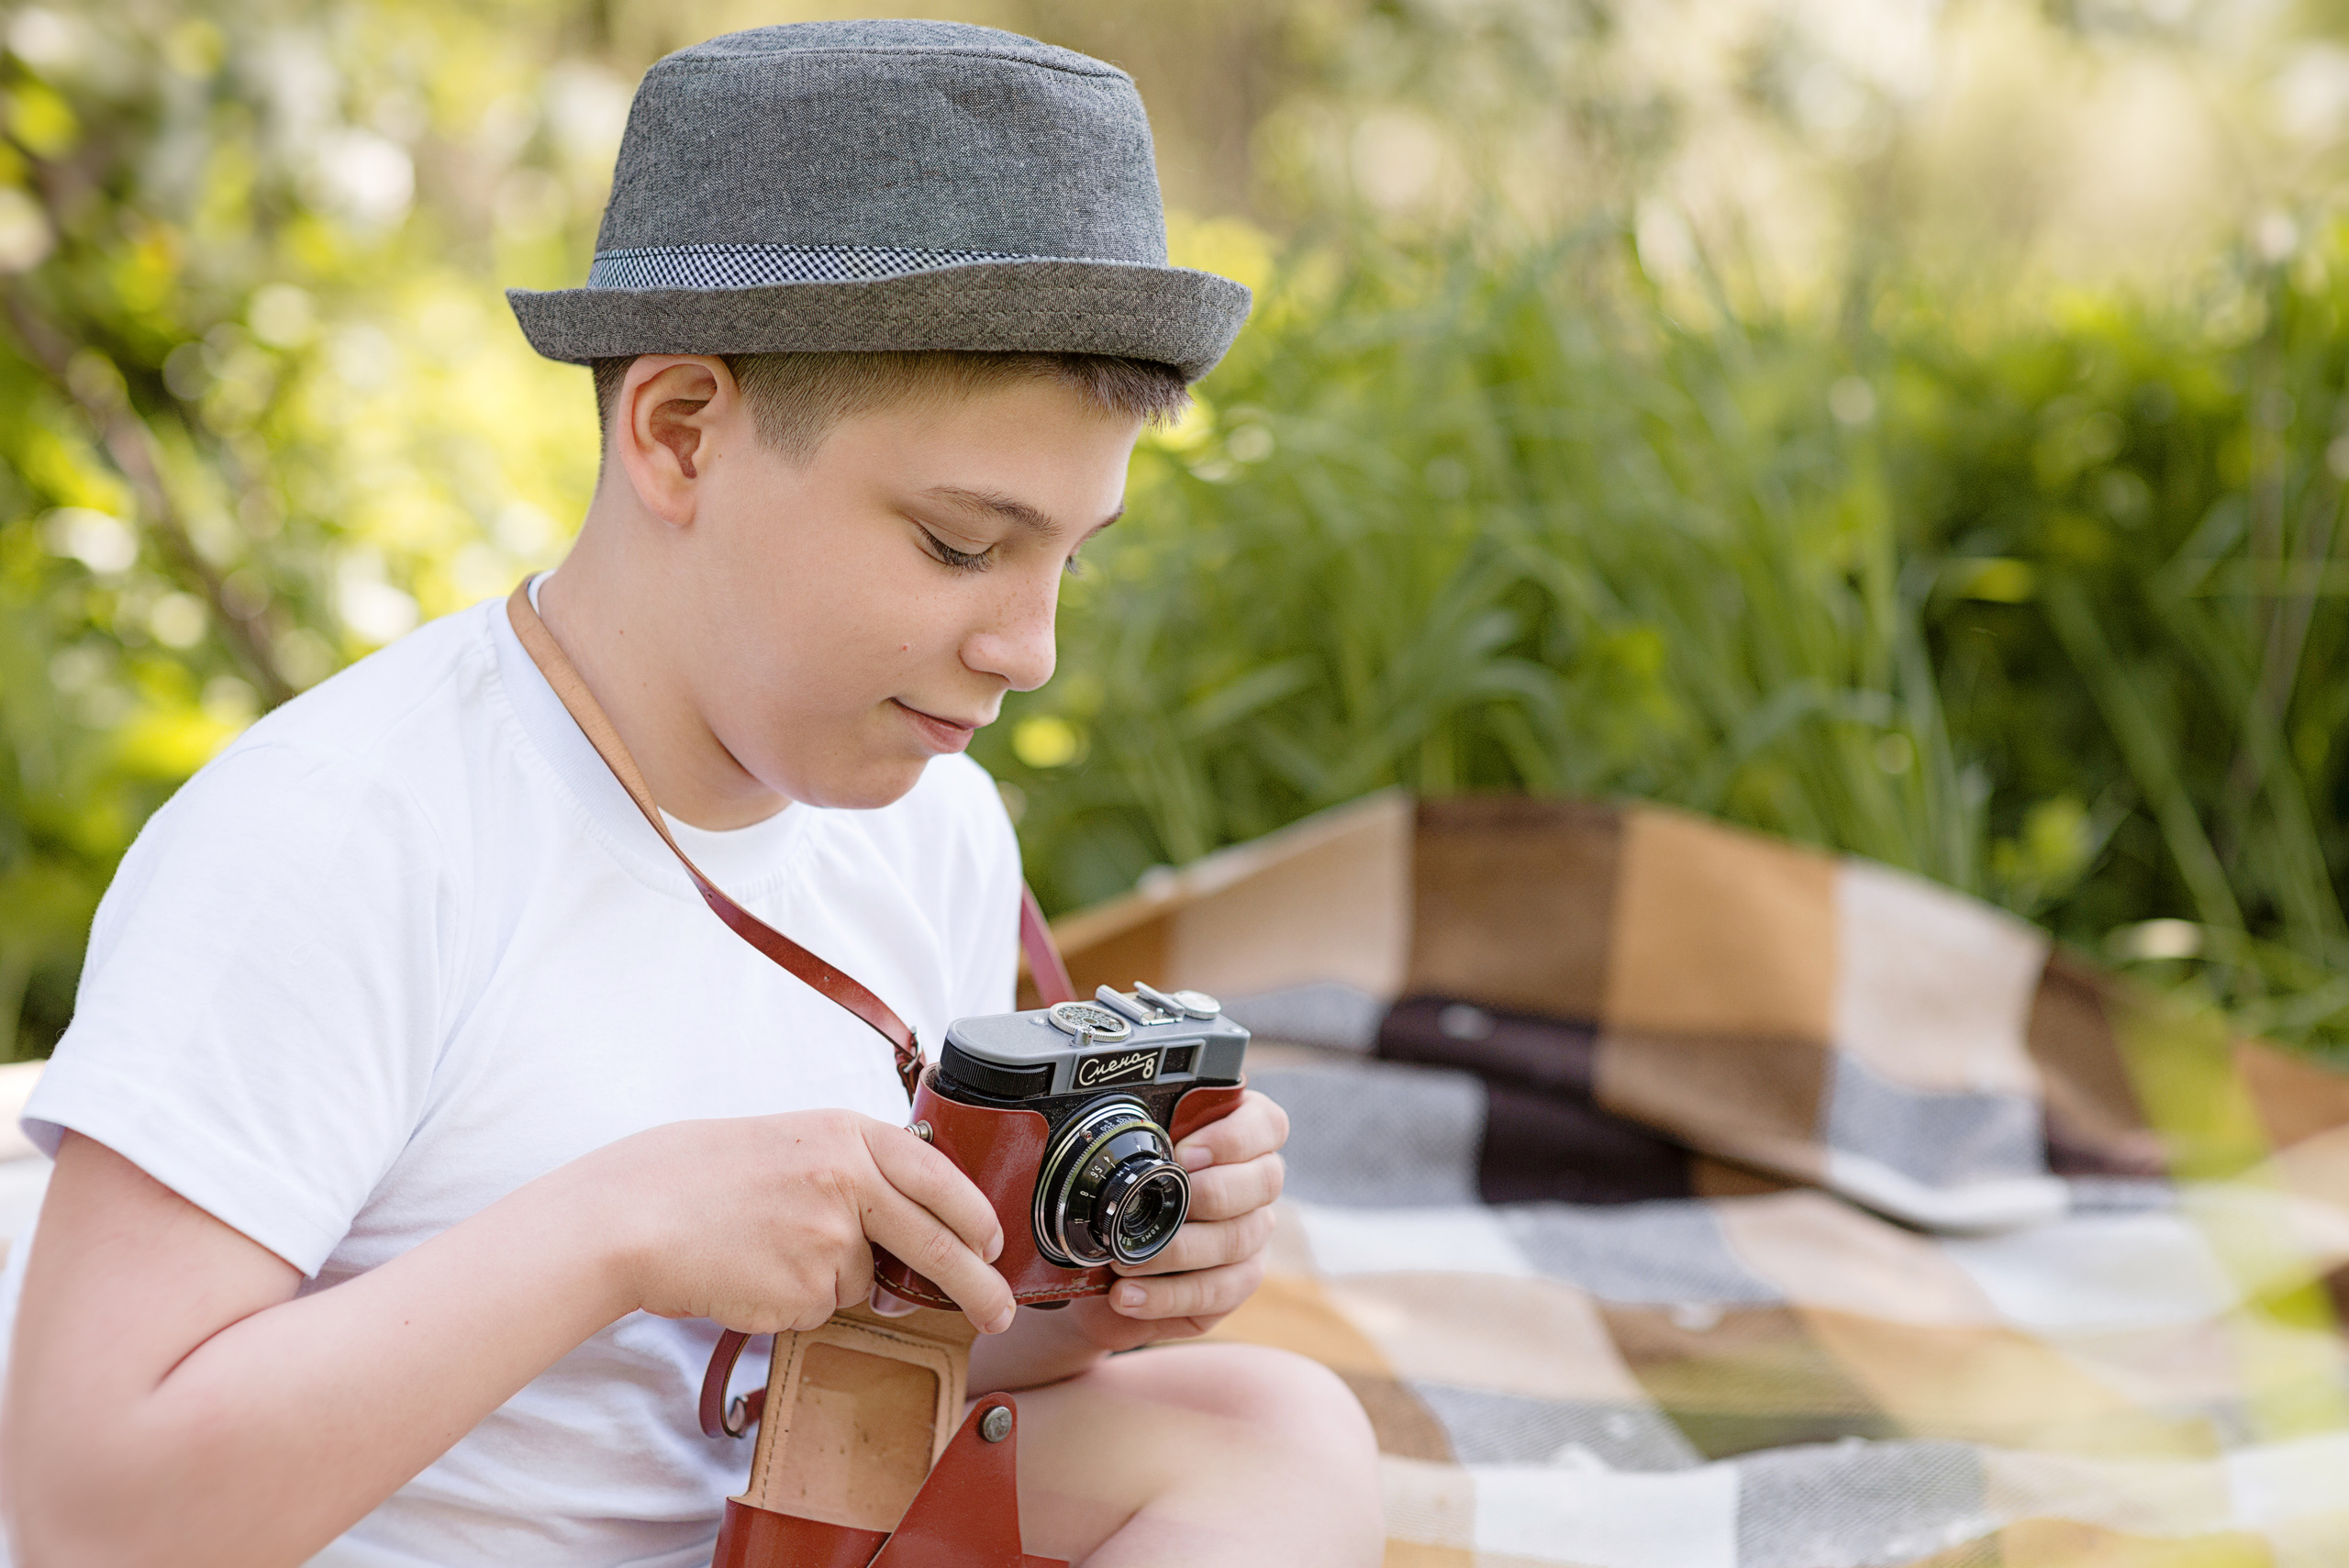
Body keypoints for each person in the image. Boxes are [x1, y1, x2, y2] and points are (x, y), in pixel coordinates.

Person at [0, 21, 1380, 1568]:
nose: (1031, 648)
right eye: (961, 544)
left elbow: (863, 1375)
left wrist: (1094, 1282)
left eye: (1075, 554)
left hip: (765, 1531)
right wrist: (618, 1230)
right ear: (678, 433)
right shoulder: (341, 837)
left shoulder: (930, 824)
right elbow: (87, 1512)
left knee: (1274, 1427)